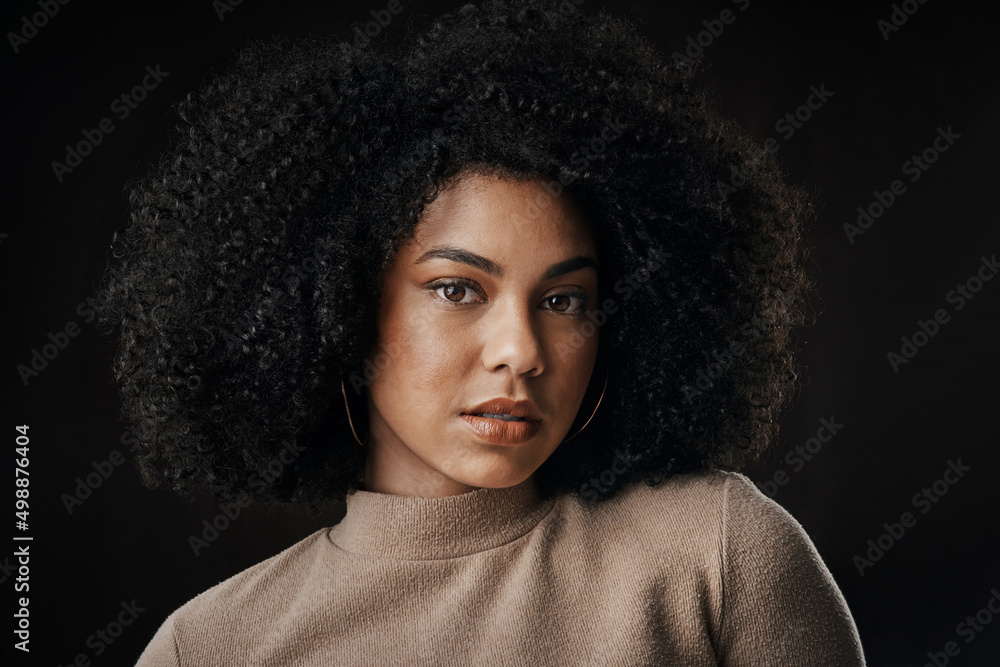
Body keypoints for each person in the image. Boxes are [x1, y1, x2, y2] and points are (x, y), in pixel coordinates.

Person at [96, 0, 866, 663]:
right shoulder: (210, 646)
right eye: (458, 288)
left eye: (564, 301)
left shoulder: (719, 555)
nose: (522, 352)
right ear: (340, 304)